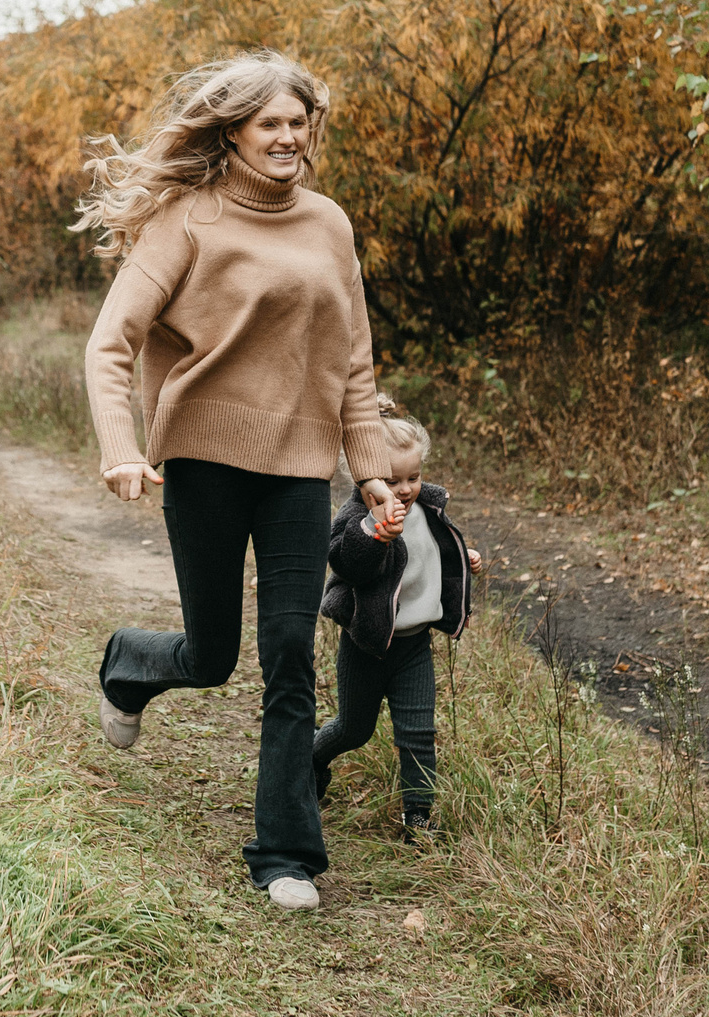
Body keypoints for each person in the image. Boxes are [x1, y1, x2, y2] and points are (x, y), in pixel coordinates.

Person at [77, 52, 397, 913]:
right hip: (206, 462)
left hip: (299, 468)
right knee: (213, 654)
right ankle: (128, 665)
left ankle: (286, 853)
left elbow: (354, 361)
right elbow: (111, 343)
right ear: (234, 132)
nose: (290, 136)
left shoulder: (330, 225)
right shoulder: (186, 220)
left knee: (290, 652)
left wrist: (368, 470)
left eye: (300, 122)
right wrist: (121, 445)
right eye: (272, 124)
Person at [313, 399, 482, 839]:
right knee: (353, 730)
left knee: (418, 733)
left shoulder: (427, 509)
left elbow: (431, 556)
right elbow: (349, 566)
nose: (404, 489)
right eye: (391, 479)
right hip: (366, 644)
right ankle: (309, 761)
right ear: (365, 476)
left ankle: (418, 821)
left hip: (412, 646)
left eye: (413, 477)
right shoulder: (356, 518)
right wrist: (375, 535)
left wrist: (463, 559)